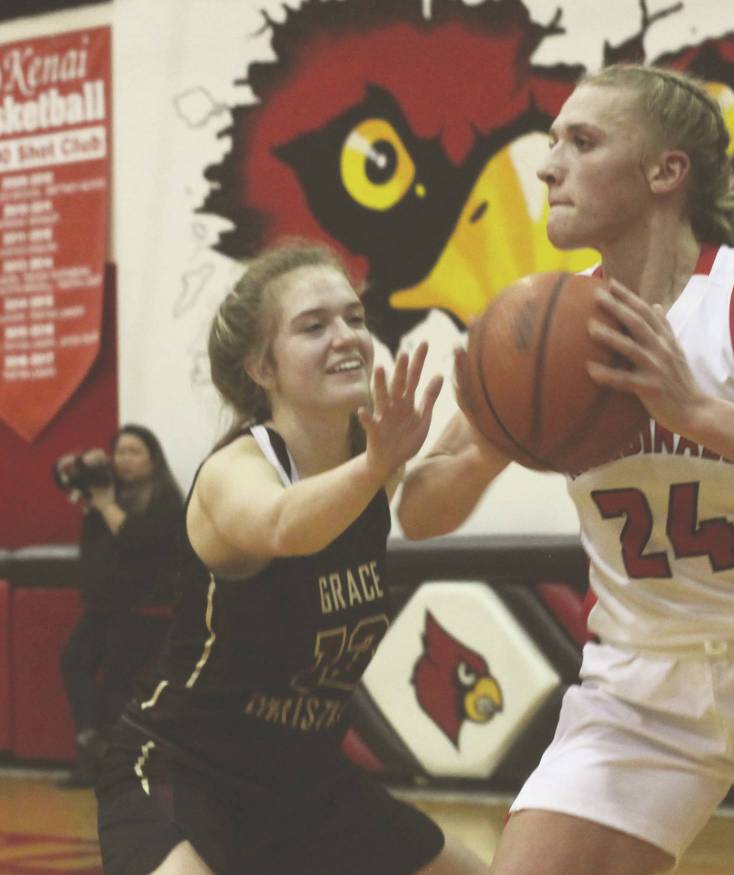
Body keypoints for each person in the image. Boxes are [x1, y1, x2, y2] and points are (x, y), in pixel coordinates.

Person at [397, 64, 734, 875]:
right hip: (640, 682)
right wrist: (482, 437)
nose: (548, 166)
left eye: (582, 142)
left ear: (665, 171)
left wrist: (702, 414)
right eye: (553, 143)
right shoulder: (547, 331)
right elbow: (422, 515)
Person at [94, 243, 486, 875]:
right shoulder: (235, 471)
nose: (346, 337)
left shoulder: (369, 457)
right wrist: (378, 465)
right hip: (181, 773)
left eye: (355, 318)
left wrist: (501, 415)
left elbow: (428, 493)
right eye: (314, 325)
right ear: (261, 369)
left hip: (303, 784)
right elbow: (284, 525)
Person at [56, 424, 183, 789]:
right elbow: (60, 475)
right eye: (120, 451)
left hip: (142, 612)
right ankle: (89, 741)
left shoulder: (165, 501)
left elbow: (135, 540)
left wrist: (107, 505)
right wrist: (81, 462)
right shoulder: (102, 484)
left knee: (119, 685)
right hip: (101, 607)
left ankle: (115, 767)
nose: (123, 459)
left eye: (134, 452)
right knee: (73, 661)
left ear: (152, 459)